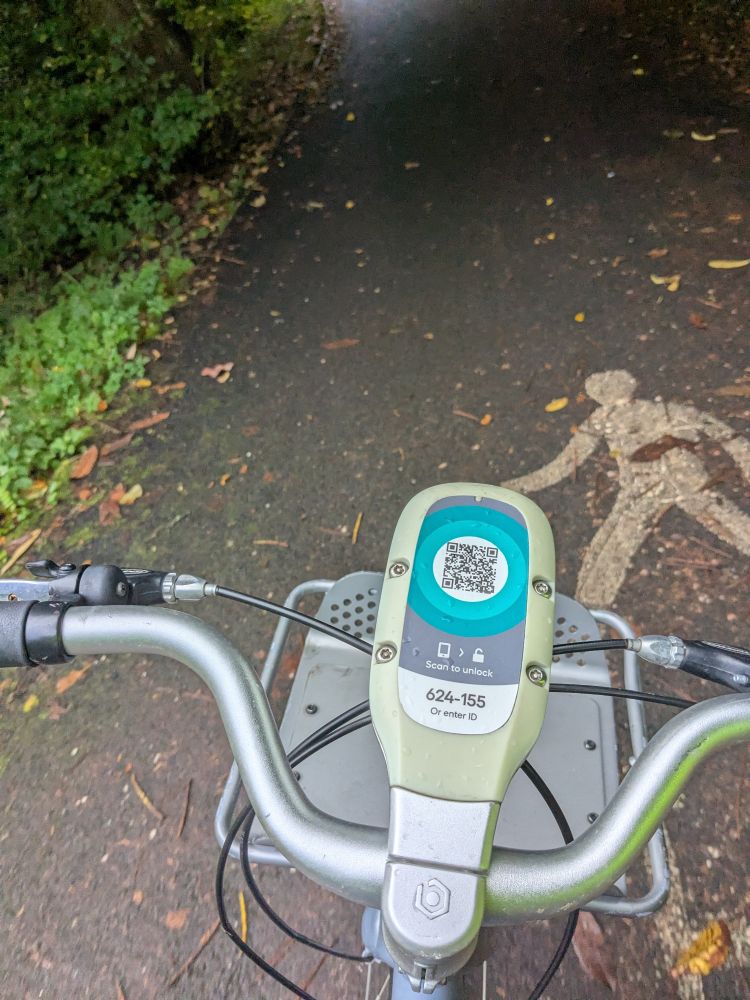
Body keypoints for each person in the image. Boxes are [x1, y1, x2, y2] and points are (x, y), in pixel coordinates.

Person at [503, 369, 750, 606]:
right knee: (717, 515)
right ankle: (592, 602)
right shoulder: (659, 410)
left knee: (618, 538)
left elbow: (566, 463)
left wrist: (521, 485)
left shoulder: (604, 419)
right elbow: (722, 432)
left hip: (652, 484)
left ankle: (592, 604)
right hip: (672, 480)